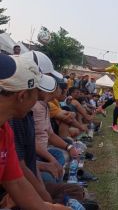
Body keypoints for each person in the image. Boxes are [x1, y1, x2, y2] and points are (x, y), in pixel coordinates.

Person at [0, 54, 69, 209]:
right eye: (37, 93)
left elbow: (16, 182)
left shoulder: (5, 131)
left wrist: (50, 207)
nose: (39, 98)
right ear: (22, 96)